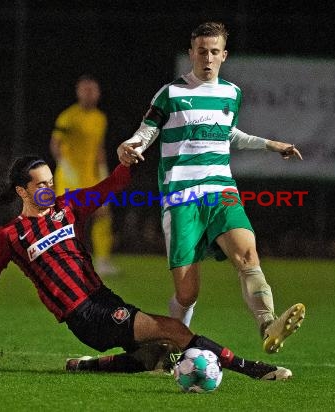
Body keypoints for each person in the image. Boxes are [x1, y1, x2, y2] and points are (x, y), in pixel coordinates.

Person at [0, 155, 293, 381]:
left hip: (102, 300)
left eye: (51, 180)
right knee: (175, 331)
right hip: (83, 314)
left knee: (158, 355)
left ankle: (87, 366)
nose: (49, 188)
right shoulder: (10, 235)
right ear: (22, 191)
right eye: (40, 185)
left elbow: (108, 187)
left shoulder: (66, 207)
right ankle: (254, 369)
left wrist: (127, 162)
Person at [117, 21, 305, 354]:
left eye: (214, 52)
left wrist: (271, 144)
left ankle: (268, 323)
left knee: (248, 255)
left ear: (224, 55)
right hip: (181, 198)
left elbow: (229, 133)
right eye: (201, 51)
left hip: (221, 191)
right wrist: (130, 147)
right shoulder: (171, 93)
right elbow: (146, 131)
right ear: (191, 53)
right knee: (188, 293)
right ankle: (173, 343)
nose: (207, 58)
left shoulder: (231, 94)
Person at [50, 74, 118, 276]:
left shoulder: (100, 118)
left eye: (93, 90)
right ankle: (61, 261)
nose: (89, 94)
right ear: (78, 92)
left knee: (103, 214)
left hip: (91, 176)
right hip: (69, 177)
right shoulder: (68, 117)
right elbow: (55, 144)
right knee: (66, 219)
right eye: (85, 90)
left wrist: (104, 172)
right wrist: (65, 166)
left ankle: (103, 262)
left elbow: (99, 148)